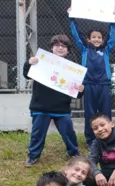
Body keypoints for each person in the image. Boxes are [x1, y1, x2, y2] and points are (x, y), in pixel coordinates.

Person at [23, 34, 83, 167]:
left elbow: (77, 95)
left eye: (63, 46)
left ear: (68, 50)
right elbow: (26, 74)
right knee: (37, 134)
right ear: (51, 48)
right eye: (57, 45)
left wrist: (81, 89)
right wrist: (28, 63)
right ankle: (33, 156)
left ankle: (74, 153)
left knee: (68, 132)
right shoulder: (40, 61)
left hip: (61, 109)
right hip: (40, 107)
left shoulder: (73, 69)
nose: (60, 48)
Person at [69, 11, 115, 147]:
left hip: (104, 85)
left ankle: (108, 138)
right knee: (89, 114)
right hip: (89, 85)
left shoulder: (106, 50)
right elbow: (76, 36)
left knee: (106, 113)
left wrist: (112, 21)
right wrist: (72, 18)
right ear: (89, 39)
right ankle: (91, 140)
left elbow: (112, 37)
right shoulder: (85, 49)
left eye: (99, 37)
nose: (97, 39)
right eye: (94, 37)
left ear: (102, 40)